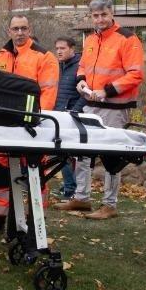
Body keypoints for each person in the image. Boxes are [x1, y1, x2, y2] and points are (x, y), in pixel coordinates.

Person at [54, 0, 144, 220]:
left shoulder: (128, 39)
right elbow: (83, 66)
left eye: (104, 14)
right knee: (83, 153)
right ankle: (82, 198)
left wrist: (107, 91)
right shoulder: (92, 39)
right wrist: (81, 81)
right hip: (90, 104)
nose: (100, 19)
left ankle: (109, 204)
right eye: (95, 16)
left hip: (114, 106)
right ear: (91, 16)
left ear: (111, 13)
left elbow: (135, 74)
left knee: (112, 155)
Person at [0, 15, 59, 237]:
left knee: (36, 179)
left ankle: (35, 223)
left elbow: (48, 95)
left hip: (32, 129)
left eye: (23, 28)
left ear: (29, 29)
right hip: (3, 128)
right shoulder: (0, 56)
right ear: (8, 30)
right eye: (15, 28)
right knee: (0, 179)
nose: (19, 32)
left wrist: (36, 122)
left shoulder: (44, 57)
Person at [53, 36, 85, 199]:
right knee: (61, 153)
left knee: (67, 153)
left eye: (63, 48)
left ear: (72, 49)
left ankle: (71, 188)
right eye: (57, 48)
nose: (59, 51)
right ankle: (69, 186)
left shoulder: (80, 67)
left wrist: (74, 111)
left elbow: (85, 93)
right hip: (57, 115)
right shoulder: (57, 66)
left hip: (71, 116)